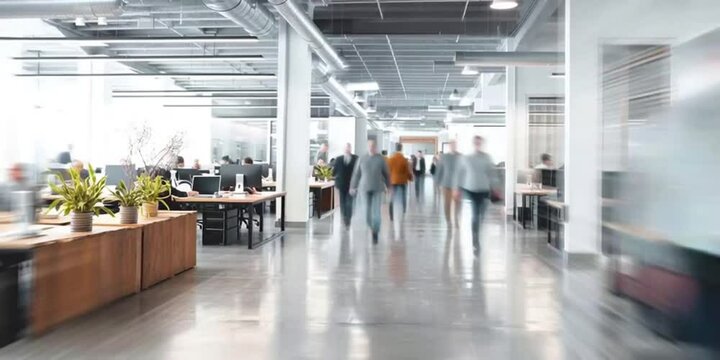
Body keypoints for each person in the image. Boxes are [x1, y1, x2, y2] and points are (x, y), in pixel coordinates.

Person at [456, 136, 499, 253]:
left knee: (482, 214)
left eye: (480, 143)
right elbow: (460, 173)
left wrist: (495, 188)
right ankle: (475, 238)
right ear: (473, 144)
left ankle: (477, 230)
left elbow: (492, 173)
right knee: (475, 213)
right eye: (476, 143)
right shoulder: (467, 158)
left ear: (482, 144)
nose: (478, 145)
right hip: (471, 188)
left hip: (484, 189)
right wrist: (458, 188)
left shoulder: (487, 158)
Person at [350, 140, 390, 243]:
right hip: (364, 188)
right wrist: (352, 186)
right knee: (366, 211)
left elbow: (386, 174)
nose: (371, 147)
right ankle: (371, 227)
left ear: (375, 147)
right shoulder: (362, 159)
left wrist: (389, 186)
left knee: (376, 211)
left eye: (373, 146)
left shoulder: (380, 159)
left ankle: (375, 230)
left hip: (377, 188)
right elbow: (356, 174)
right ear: (367, 147)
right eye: (369, 146)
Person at [436, 140, 462, 228]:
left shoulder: (460, 156)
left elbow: (464, 170)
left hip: (458, 185)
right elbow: (439, 170)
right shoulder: (444, 157)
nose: (453, 146)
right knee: (447, 204)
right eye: (451, 145)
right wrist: (437, 183)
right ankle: (448, 221)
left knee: (458, 203)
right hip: (446, 184)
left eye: (454, 145)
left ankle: (456, 219)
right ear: (449, 146)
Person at [332, 143, 358, 228]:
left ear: (351, 149)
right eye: (346, 148)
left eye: (349, 148)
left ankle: (348, 218)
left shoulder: (356, 158)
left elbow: (358, 171)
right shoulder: (339, 159)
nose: (347, 149)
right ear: (344, 149)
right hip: (341, 184)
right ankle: (344, 216)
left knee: (349, 202)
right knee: (342, 202)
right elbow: (334, 171)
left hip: (352, 185)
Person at [386, 143, 413, 222]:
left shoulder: (390, 159)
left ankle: (391, 216)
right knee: (403, 198)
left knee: (392, 198)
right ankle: (402, 212)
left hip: (393, 182)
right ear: (401, 149)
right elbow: (407, 172)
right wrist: (410, 178)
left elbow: (388, 172)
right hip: (402, 182)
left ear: (395, 148)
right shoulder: (404, 160)